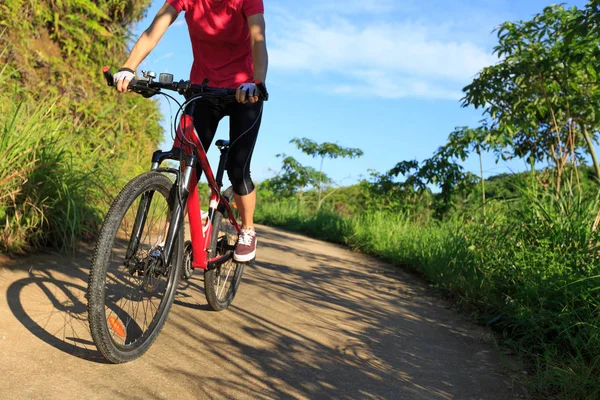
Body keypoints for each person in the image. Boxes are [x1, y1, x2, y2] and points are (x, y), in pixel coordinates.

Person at [113, 0, 268, 263]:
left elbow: (258, 39)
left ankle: (248, 229)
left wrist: (257, 82)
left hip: (244, 92)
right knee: (187, 168)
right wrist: (129, 66)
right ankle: (167, 239)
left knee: (237, 170)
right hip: (203, 90)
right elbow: (155, 29)